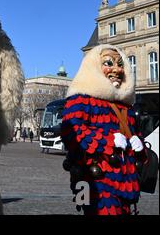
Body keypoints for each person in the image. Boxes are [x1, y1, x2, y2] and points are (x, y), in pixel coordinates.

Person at [61, 45, 146, 215]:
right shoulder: (81, 100)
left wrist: (138, 142)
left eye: (120, 64)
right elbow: (72, 133)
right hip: (96, 183)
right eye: (109, 63)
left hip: (125, 182)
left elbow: (135, 134)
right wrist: (108, 140)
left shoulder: (125, 106)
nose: (117, 69)